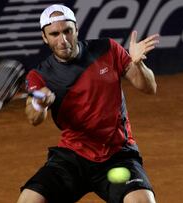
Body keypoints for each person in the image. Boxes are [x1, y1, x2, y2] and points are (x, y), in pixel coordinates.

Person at [17, 4, 159, 203]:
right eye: (54, 34)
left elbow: (149, 87)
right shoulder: (40, 75)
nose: (63, 40)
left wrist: (137, 63)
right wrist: (41, 103)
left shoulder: (107, 49)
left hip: (117, 154)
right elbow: (34, 118)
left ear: (76, 29)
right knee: (28, 200)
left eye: (67, 31)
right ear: (44, 37)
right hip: (72, 158)